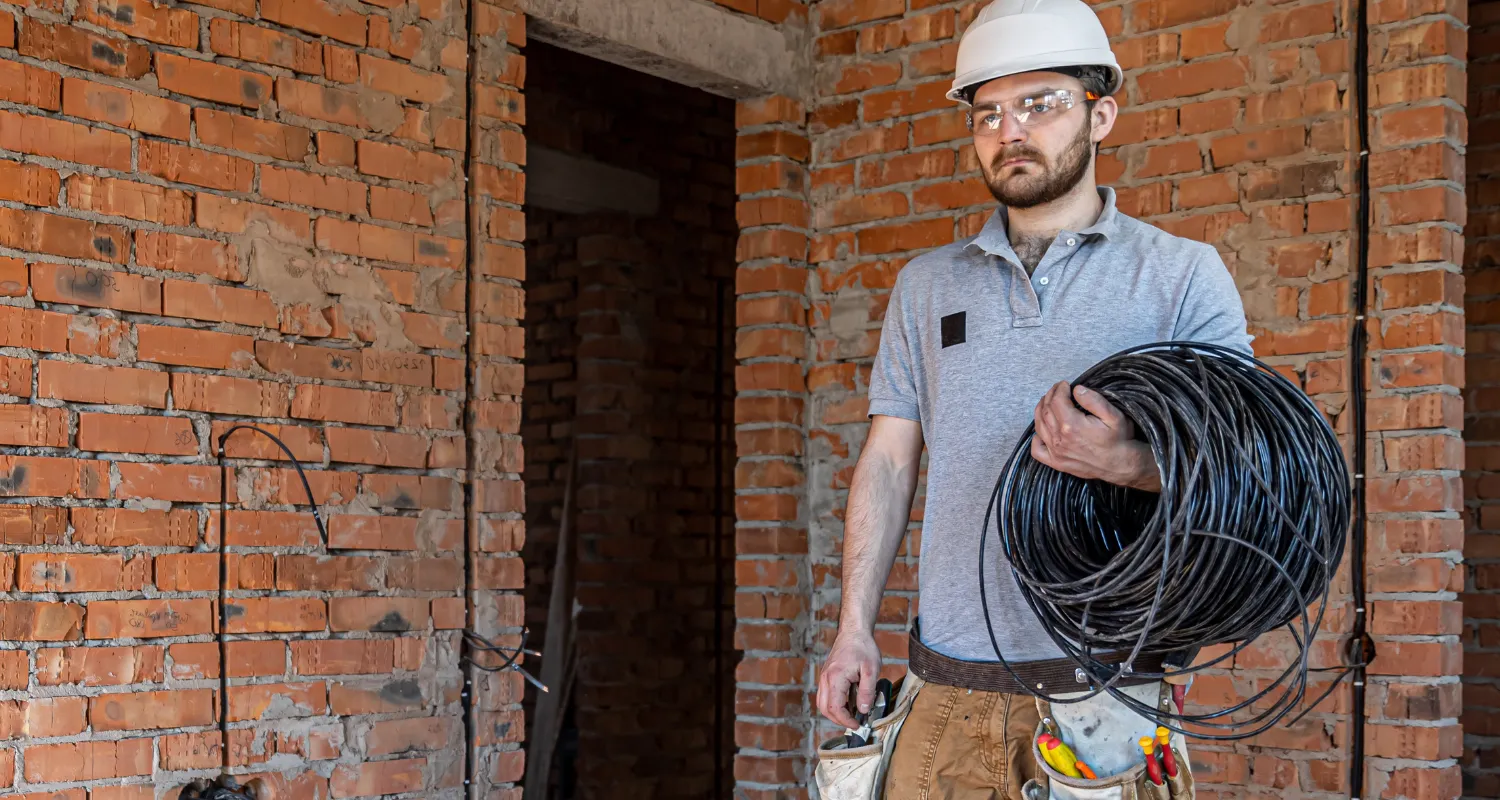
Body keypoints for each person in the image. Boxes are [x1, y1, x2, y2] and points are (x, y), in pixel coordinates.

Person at [813, 0, 1254, 796]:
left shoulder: (1182, 275)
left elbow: (1244, 472)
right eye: (988, 113)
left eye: (1039, 104)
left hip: (1109, 703)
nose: (1010, 130)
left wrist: (1125, 463)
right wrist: (853, 629)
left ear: (1101, 114)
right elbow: (888, 462)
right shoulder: (926, 287)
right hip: (944, 693)